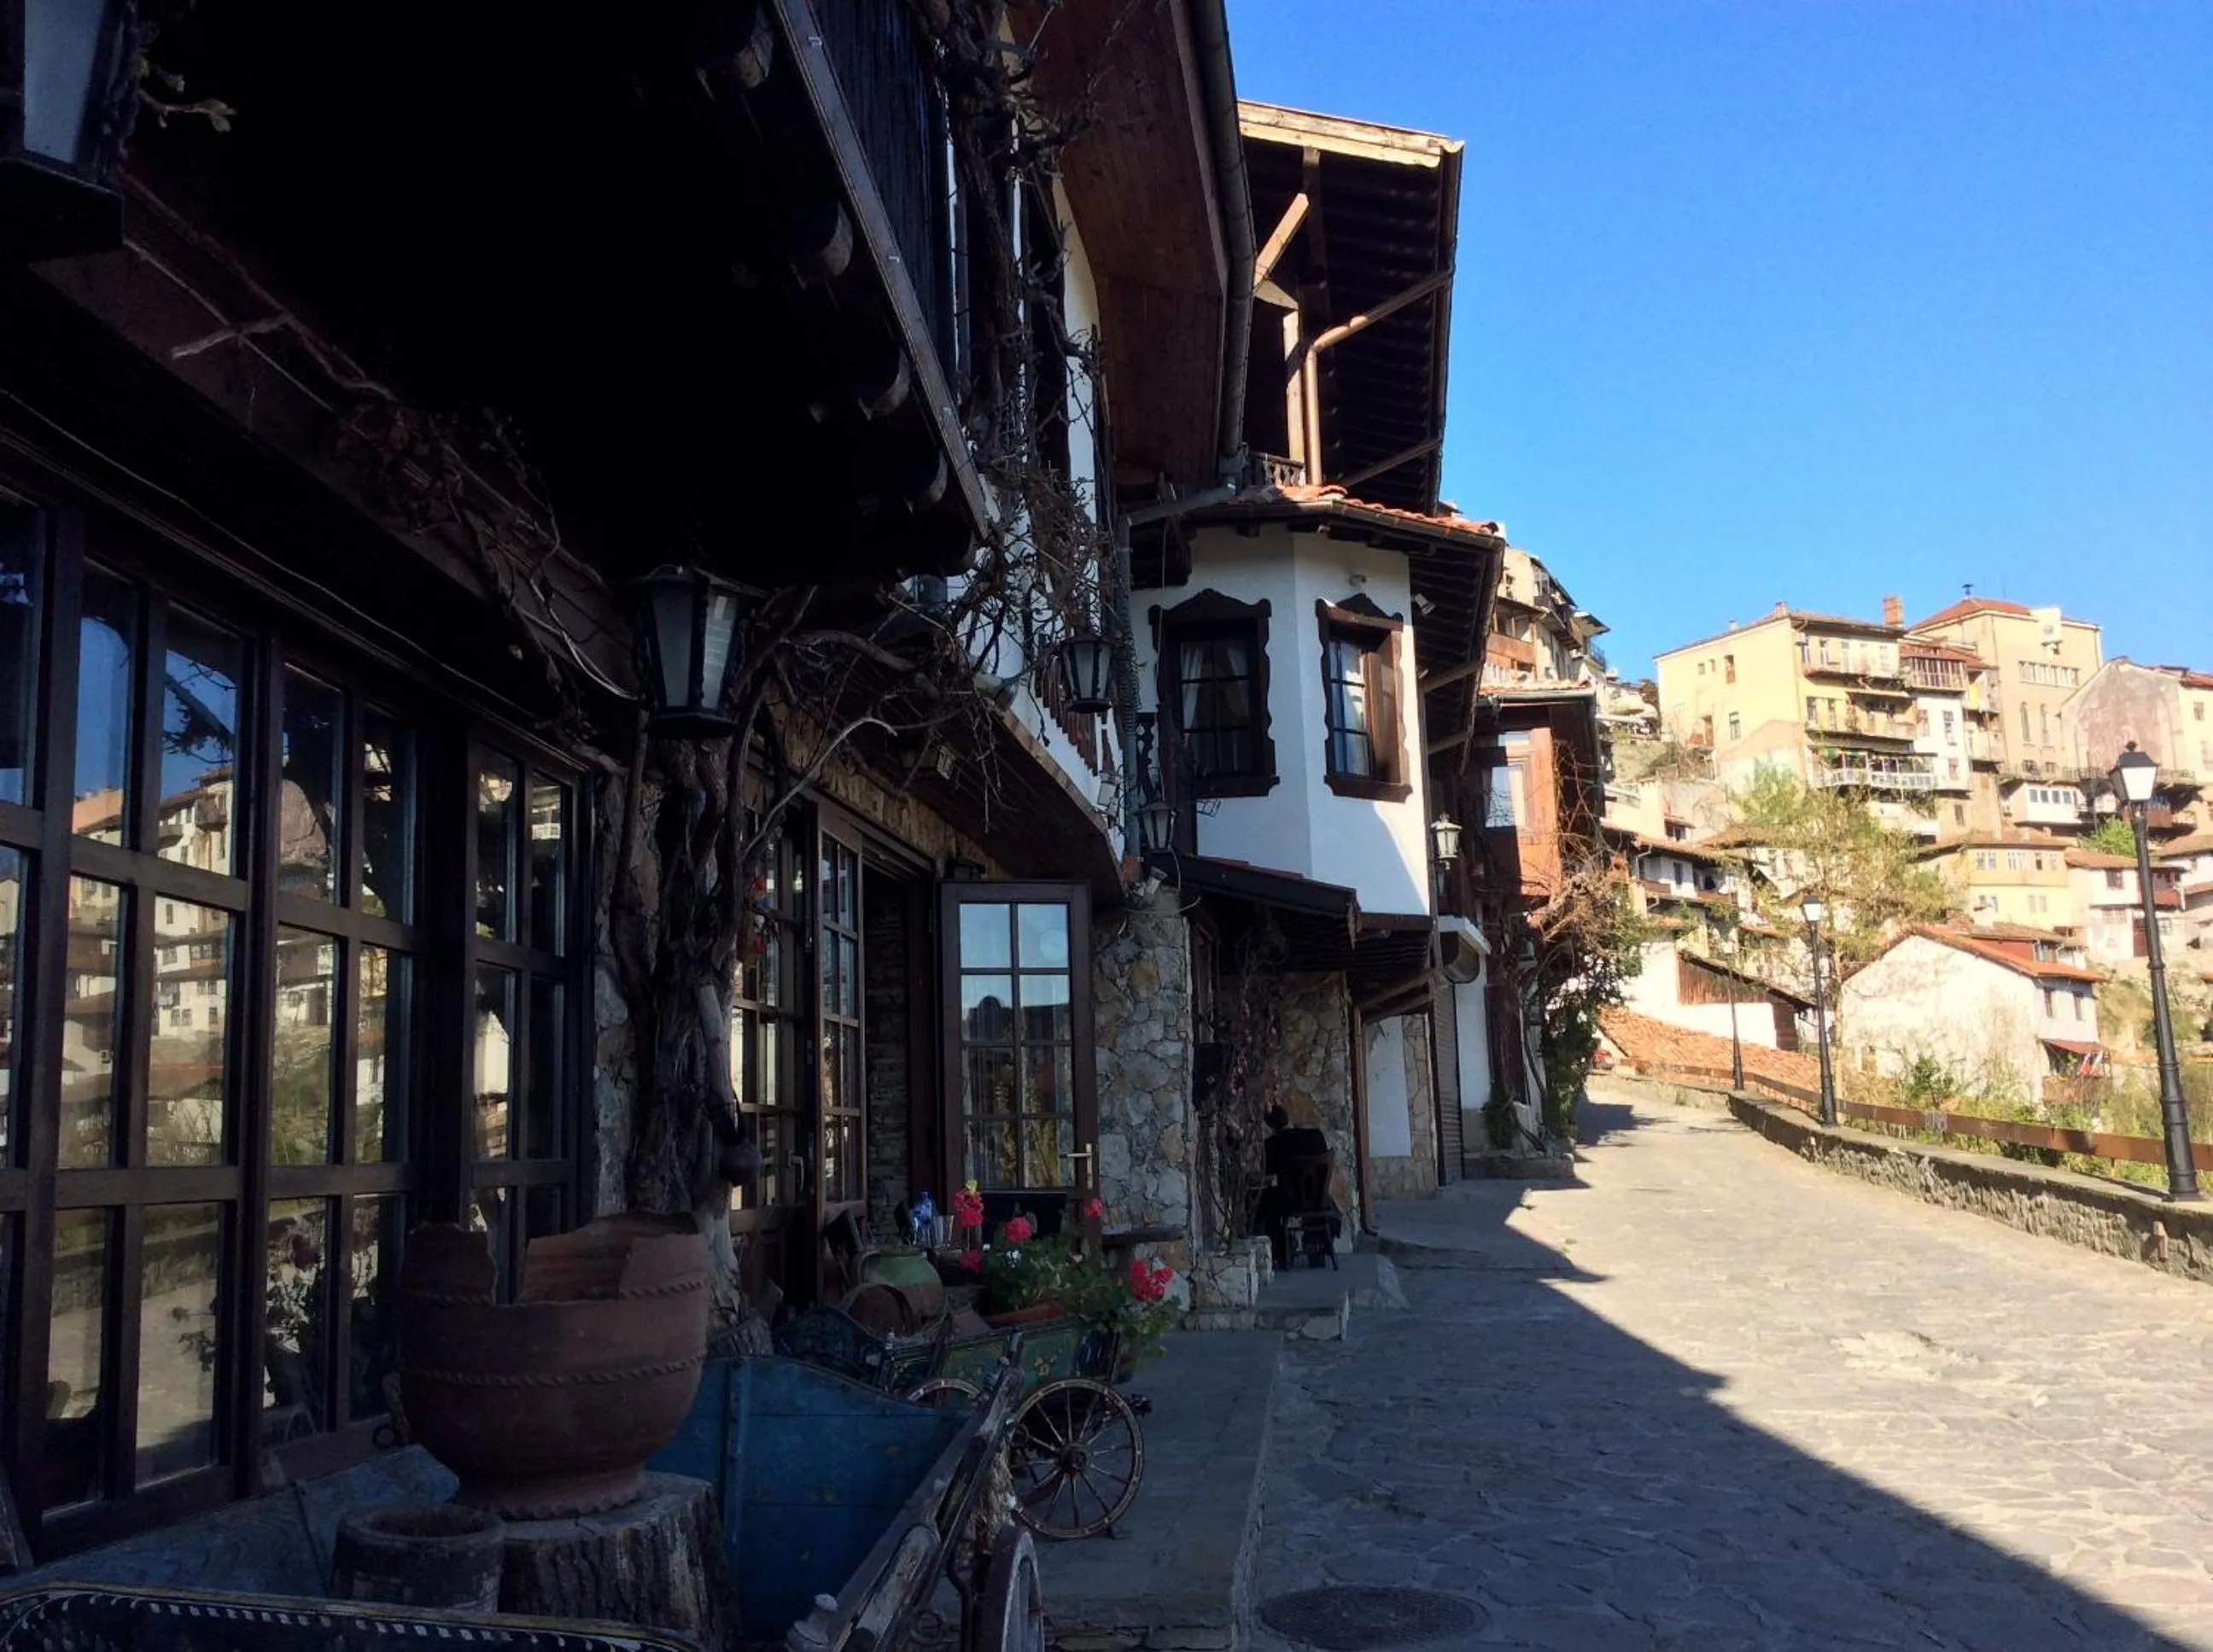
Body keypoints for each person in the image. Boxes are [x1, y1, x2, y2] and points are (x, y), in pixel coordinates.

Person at [1252, 1106, 1337, 1267]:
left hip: (1290, 1200)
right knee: (1322, 1200)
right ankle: (1317, 1245)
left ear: (1269, 1126)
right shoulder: (1316, 1136)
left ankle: (1280, 1250)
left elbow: (1268, 1174)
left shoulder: (1272, 1144)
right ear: (1288, 1119)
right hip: (1318, 1199)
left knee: (1260, 1203)